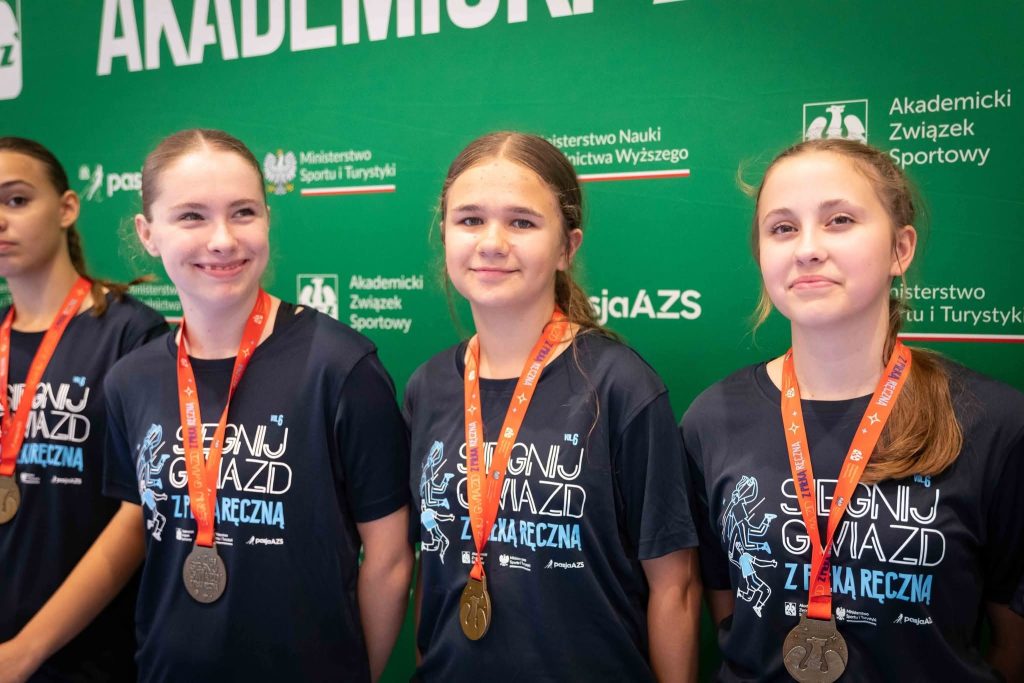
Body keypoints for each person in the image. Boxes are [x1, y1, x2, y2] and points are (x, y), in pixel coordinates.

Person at [681, 138, 1024, 682]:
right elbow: (730, 609)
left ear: (900, 249)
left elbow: (1012, 641)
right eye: (782, 228)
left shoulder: (994, 422)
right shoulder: (711, 418)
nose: (807, 249)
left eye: (839, 220)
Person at [102, 128, 412, 681]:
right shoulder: (131, 380)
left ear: (268, 218)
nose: (223, 240)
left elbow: (388, 560)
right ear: (148, 234)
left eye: (243, 212)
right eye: (192, 216)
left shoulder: (341, 368)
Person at [406, 131, 700, 682]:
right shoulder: (429, 386)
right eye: (470, 220)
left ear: (567, 247)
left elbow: (674, 587)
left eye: (522, 222)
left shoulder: (620, 385)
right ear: (444, 234)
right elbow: (434, 562)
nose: (492, 242)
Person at [0, 137, 167, 681]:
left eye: (16, 199)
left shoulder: (131, 335)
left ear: (67, 207)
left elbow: (140, 512)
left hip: (88, 656)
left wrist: (25, 651)